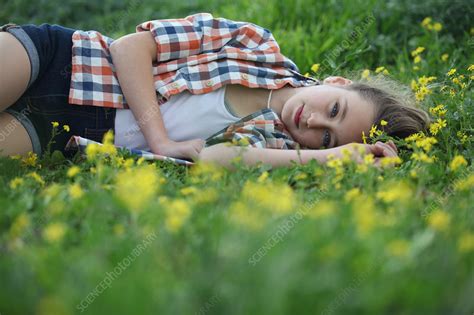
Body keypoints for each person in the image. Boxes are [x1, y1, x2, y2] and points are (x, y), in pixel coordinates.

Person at [0, 13, 429, 168]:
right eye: (334, 109)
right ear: (338, 83)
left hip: (61, 130)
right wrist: (160, 140)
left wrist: (330, 158)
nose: (313, 122)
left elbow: (213, 159)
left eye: (326, 136)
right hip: (63, 59)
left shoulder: (278, 144)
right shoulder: (255, 45)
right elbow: (130, 48)